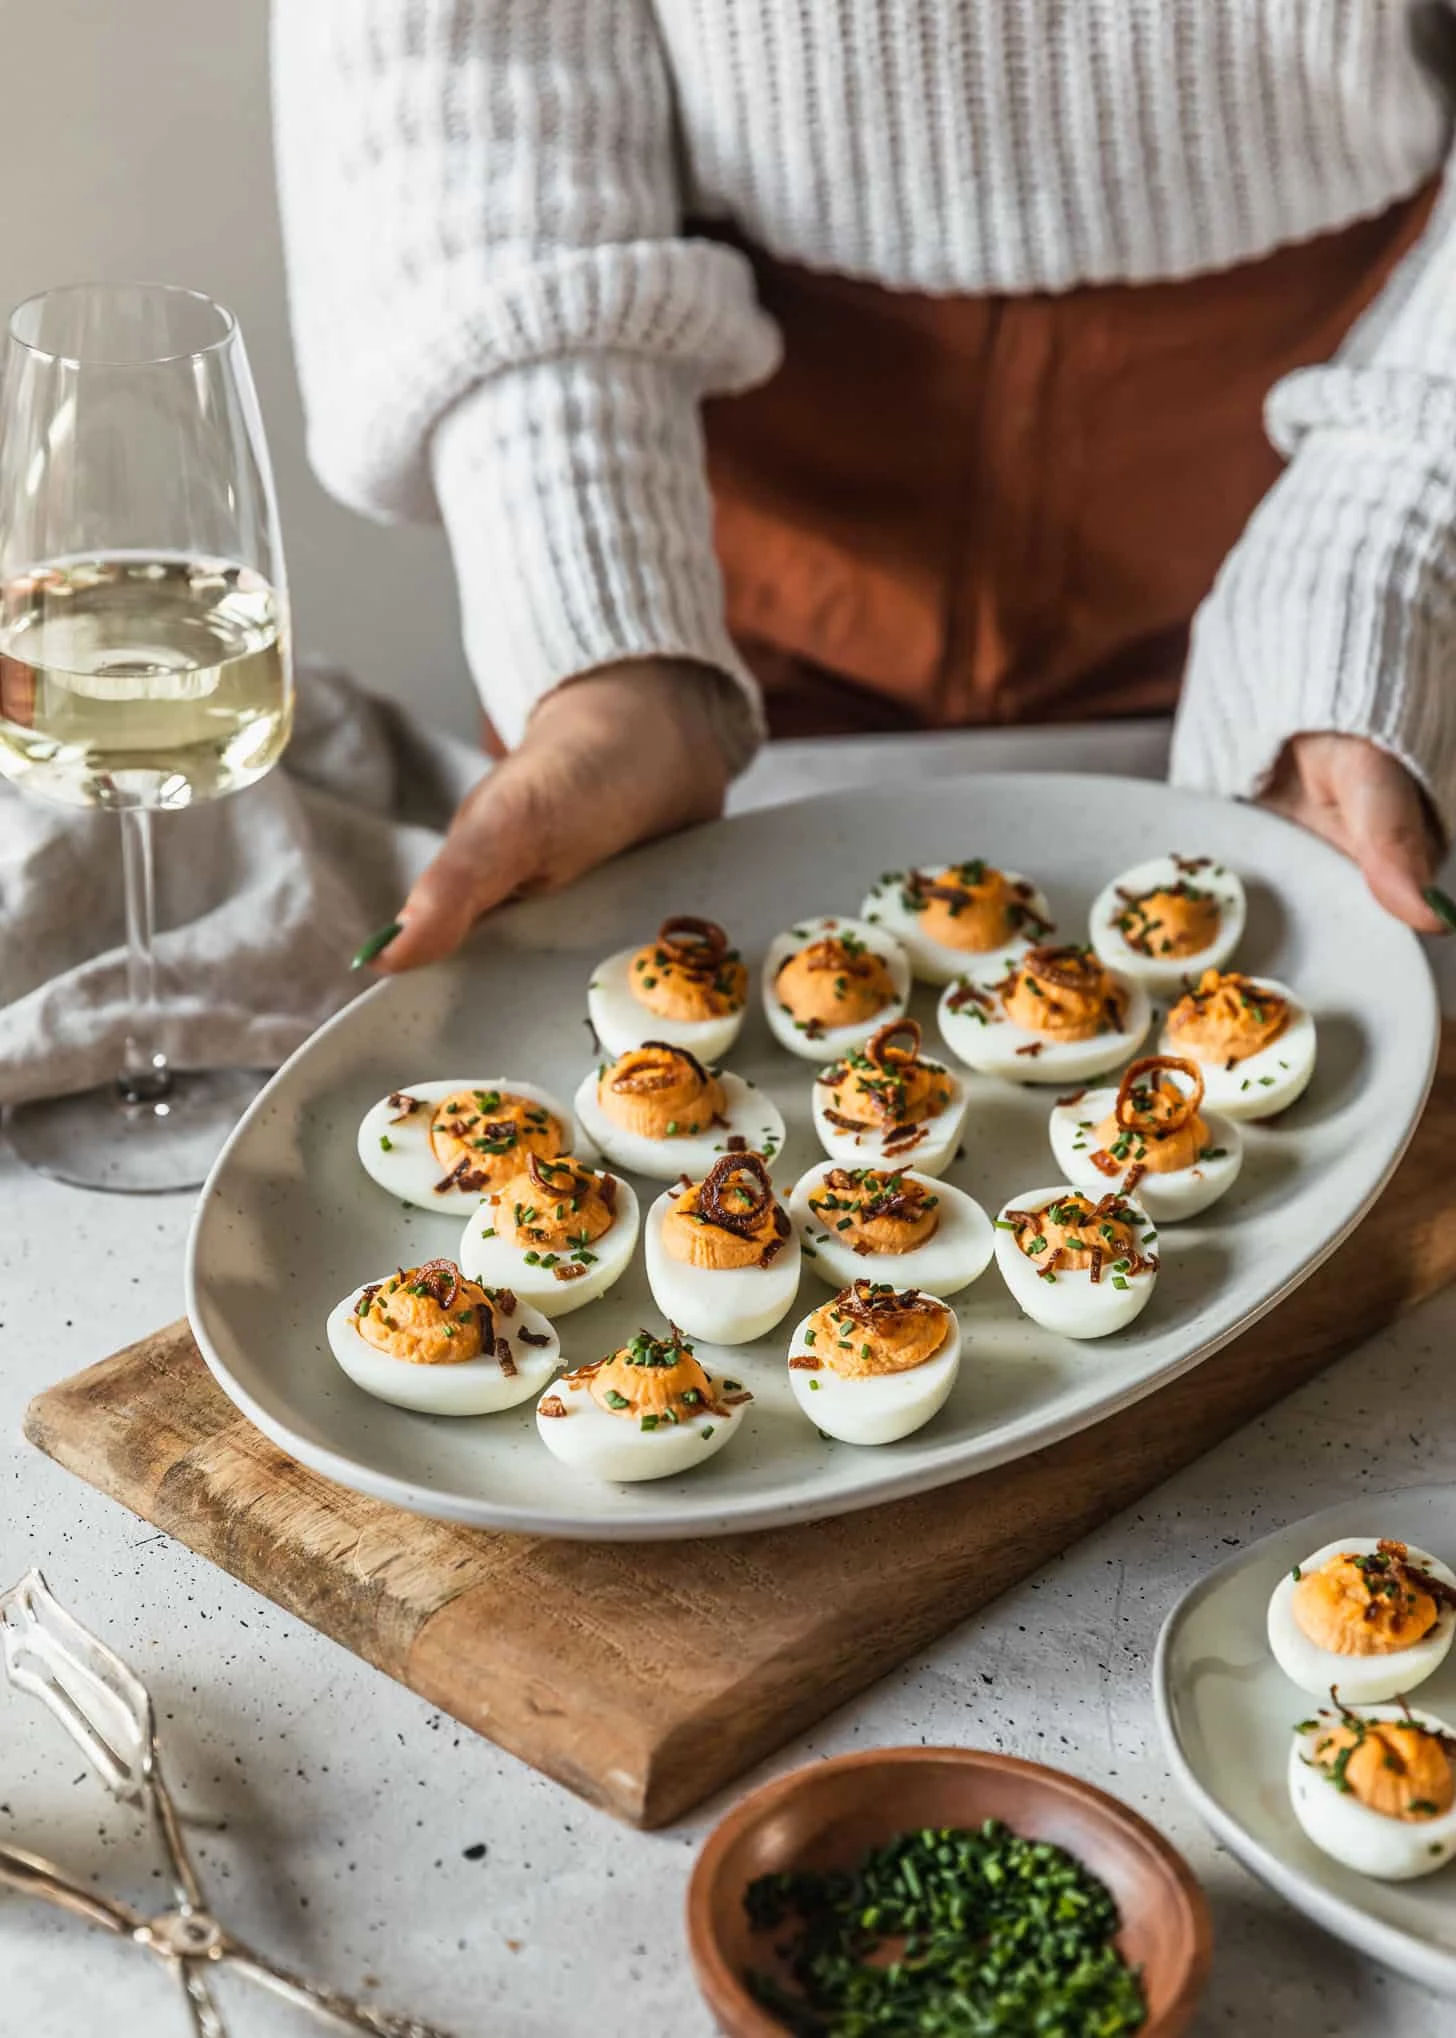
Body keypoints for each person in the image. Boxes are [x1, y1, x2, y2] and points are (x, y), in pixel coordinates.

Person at [273, 2, 1456, 970]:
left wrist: (1382, 549)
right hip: (694, 492)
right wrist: (607, 654)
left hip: (1323, 434)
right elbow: (462, 98)